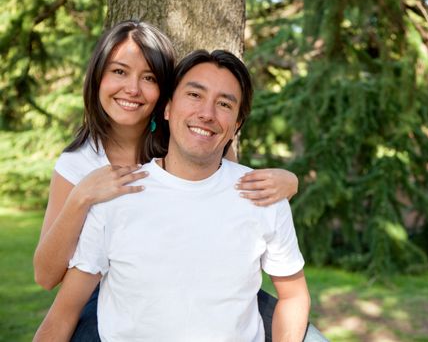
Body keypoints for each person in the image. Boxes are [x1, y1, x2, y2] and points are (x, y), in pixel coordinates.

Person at [33, 21, 301, 340]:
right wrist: (82, 197)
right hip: (108, 292)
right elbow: (47, 279)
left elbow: (230, 202)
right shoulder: (81, 165)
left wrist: (289, 181)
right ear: (97, 78)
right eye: (118, 71)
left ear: (164, 98)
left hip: (210, 297)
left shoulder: (188, 141)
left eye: (148, 77)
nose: (132, 89)